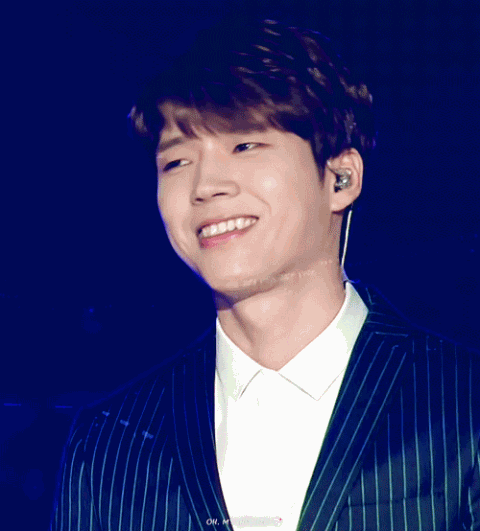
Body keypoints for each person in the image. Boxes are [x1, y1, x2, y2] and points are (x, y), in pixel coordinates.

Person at [50, 17, 480, 531]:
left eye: (244, 146)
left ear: (340, 178)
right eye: (177, 162)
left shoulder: (463, 402)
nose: (206, 186)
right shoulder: (108, 442)